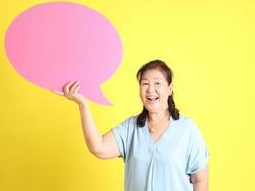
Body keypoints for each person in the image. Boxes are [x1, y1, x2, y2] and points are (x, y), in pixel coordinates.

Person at [59, 59, 209, 191]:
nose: (150, 89)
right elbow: (98, 147)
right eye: (145, 83)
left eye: (157, 83)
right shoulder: (130, 128)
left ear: (170, 89)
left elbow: (200, 180)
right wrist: (82, 104)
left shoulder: (187, 129)